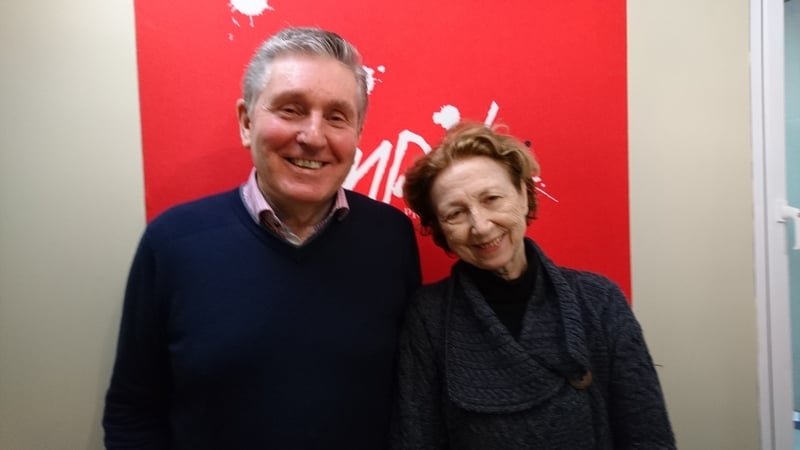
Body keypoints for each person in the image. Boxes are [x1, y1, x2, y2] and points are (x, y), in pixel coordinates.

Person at [103, 27, 421, 449]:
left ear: (358, 134)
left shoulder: (391, 239)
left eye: (337, 116)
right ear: (246, 122)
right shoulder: (172, 243)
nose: (313, 135)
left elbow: (411, 402)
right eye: (291, 110)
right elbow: (133, 413)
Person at [392, 122, 675, 449]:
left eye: (492, 198)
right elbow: (415, 440)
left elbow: (649, 436)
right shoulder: (428, 320)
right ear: (442, 232)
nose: (481, 227)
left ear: (525, 194)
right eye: (455, 213)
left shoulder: (599, 302)